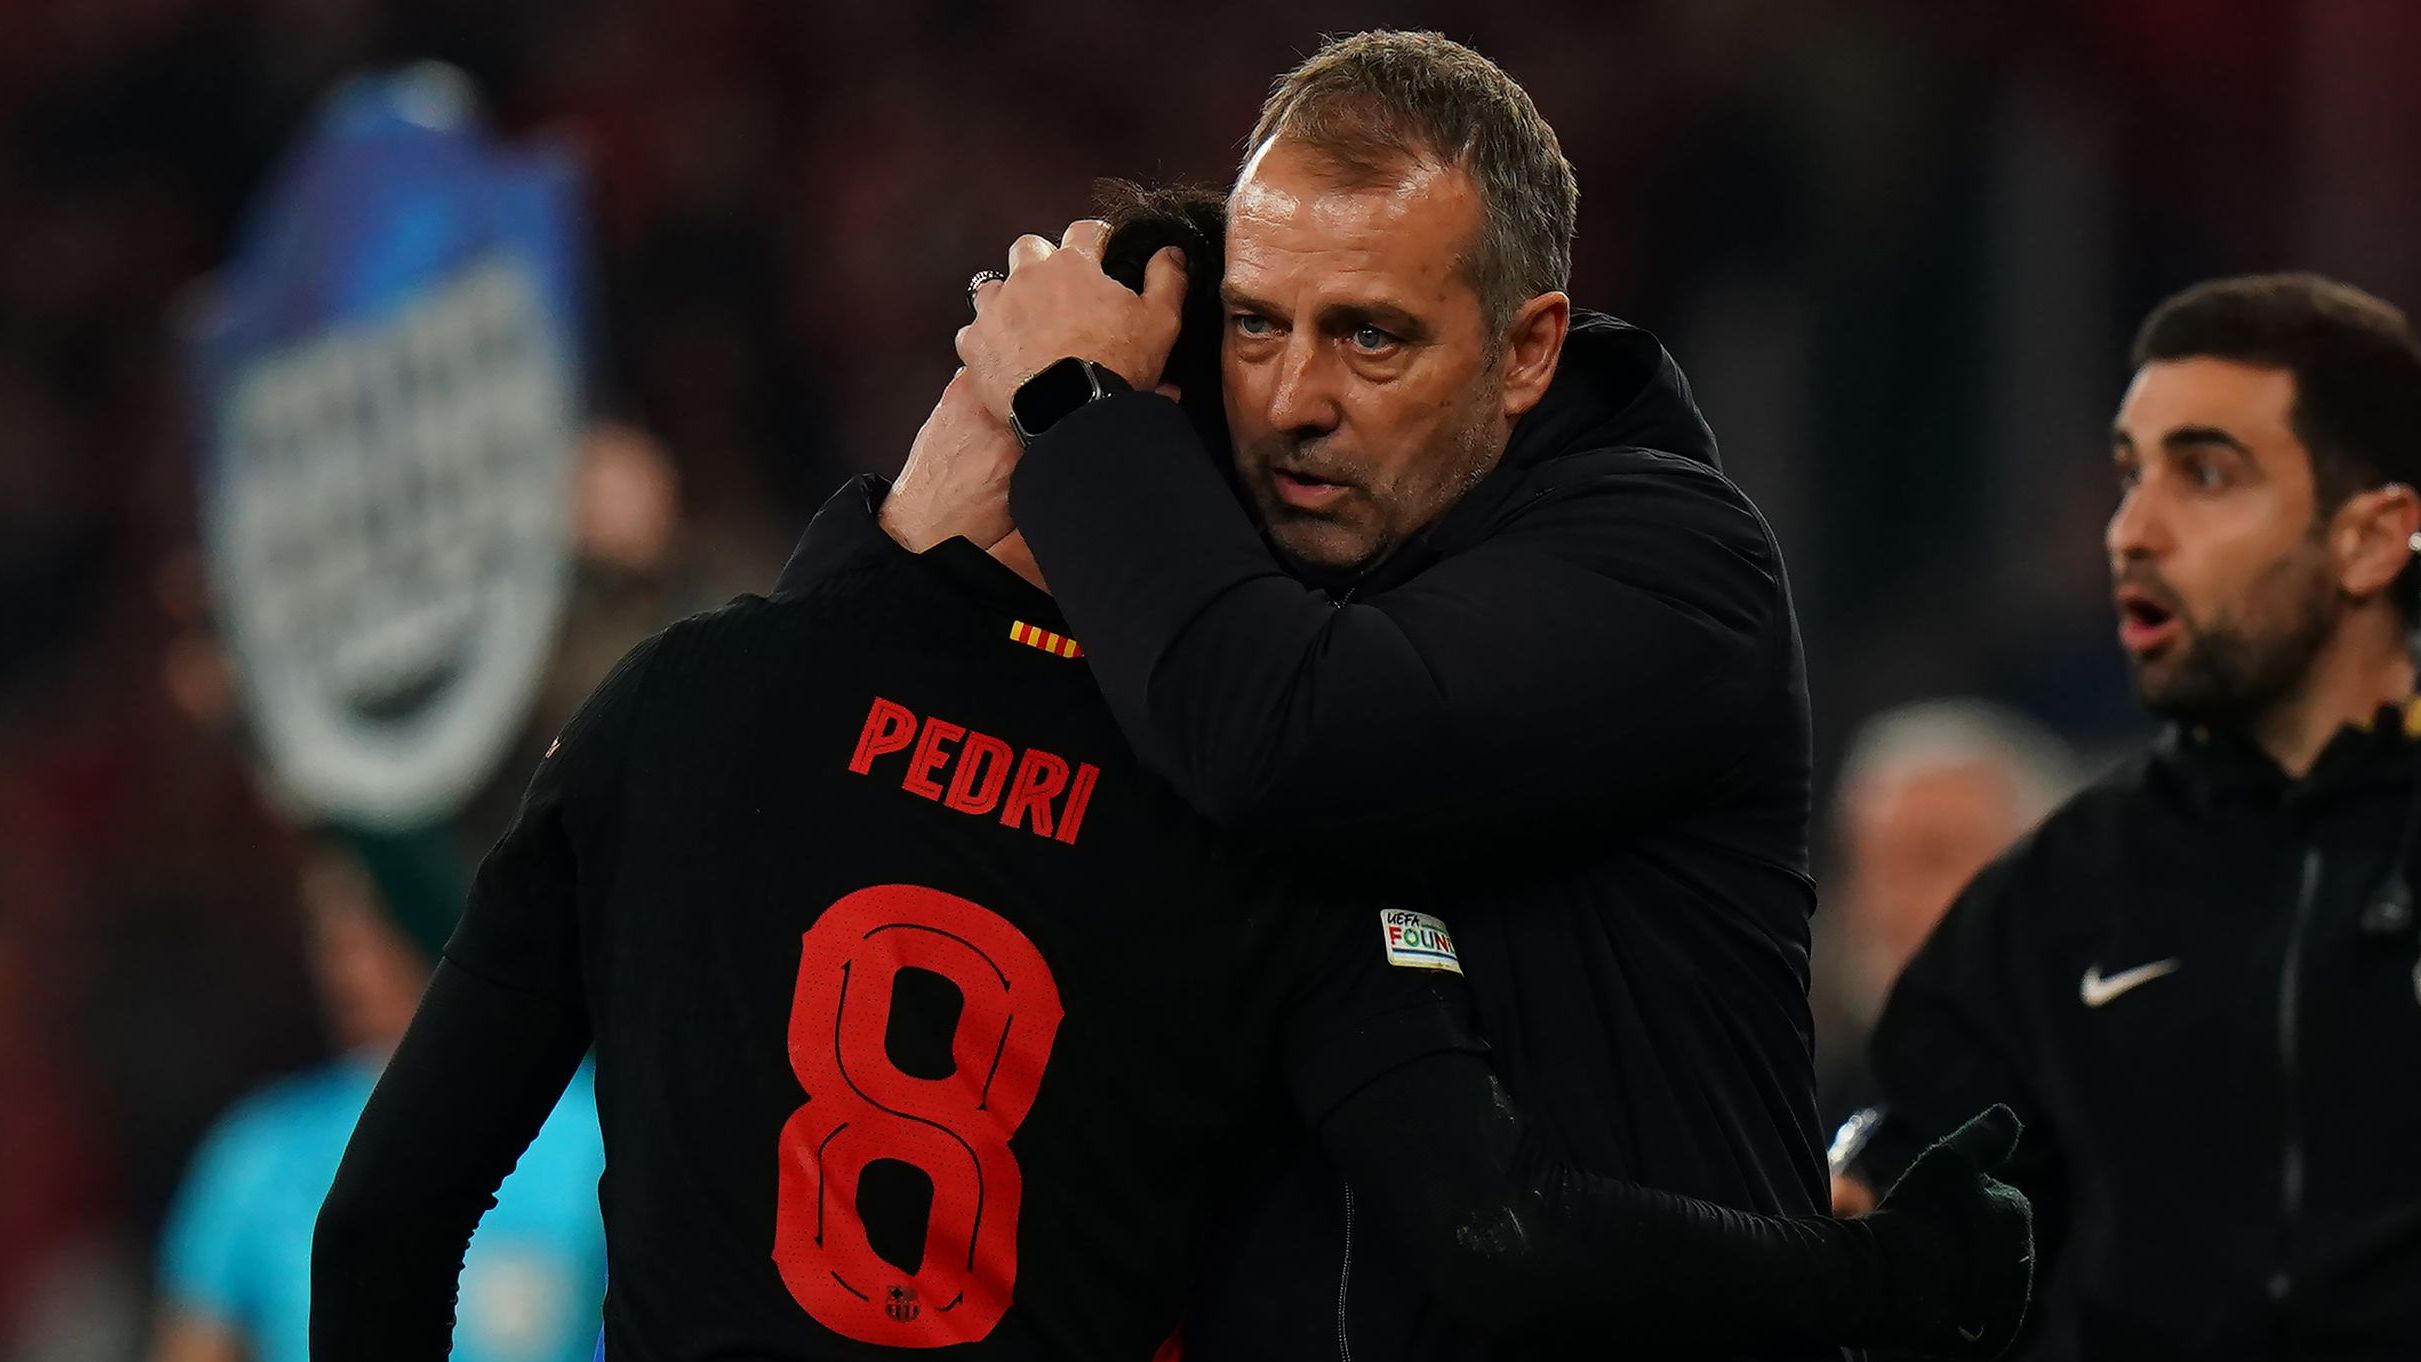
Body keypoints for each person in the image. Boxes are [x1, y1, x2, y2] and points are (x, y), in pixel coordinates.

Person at [311, 198, 2035, 1362]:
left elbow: (384, 1219)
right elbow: (1504, 1237)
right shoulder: (1271, 835)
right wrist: (1888, 1270)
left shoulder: (681, 703)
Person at [811, 30, 1829, 1360]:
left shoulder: (1672, 567)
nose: (1295, 400)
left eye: (1369, 336)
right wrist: (923, 505)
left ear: (1526, 350)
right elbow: (797, 767)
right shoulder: (1204, 568)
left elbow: (1282, 735)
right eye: (1256, 325)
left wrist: (1070, 404)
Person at [1833, 272, 2421, 1358]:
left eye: (2205, 474)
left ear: (2371, 539)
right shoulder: (2066, 884)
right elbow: (1896, 1184)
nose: (2131, 531)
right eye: (2129, 475)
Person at [153, 847, 604, 1362]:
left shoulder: (594, 1128)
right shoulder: (263, 1148)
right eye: (328, 937)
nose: (343, 966)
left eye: (371, 929)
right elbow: (195, 1339)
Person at [1815, 699, 2076, 1208]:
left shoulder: (2105, 1102)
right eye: (1865, 864)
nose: (1887, 905)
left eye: (1931, 858)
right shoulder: (1818, 1103)